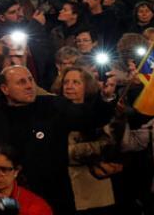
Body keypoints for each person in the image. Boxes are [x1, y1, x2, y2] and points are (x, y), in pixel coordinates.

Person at [0, 65, 116, 214]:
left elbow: (91, 118)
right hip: (10, 202)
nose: (29, 85)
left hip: (55, 199)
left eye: (30, 80)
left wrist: (105, 98)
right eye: (21, 82)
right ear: (5, 89)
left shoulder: (53, 106)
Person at [53, 67, 116, 213]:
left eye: (76, 82)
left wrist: (70, 152)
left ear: (86, 86)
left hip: (93, 185)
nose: (69, 86)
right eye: (66, 82)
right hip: (63, 184)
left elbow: (106, 144)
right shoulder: (52, 111)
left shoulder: (97, 111)